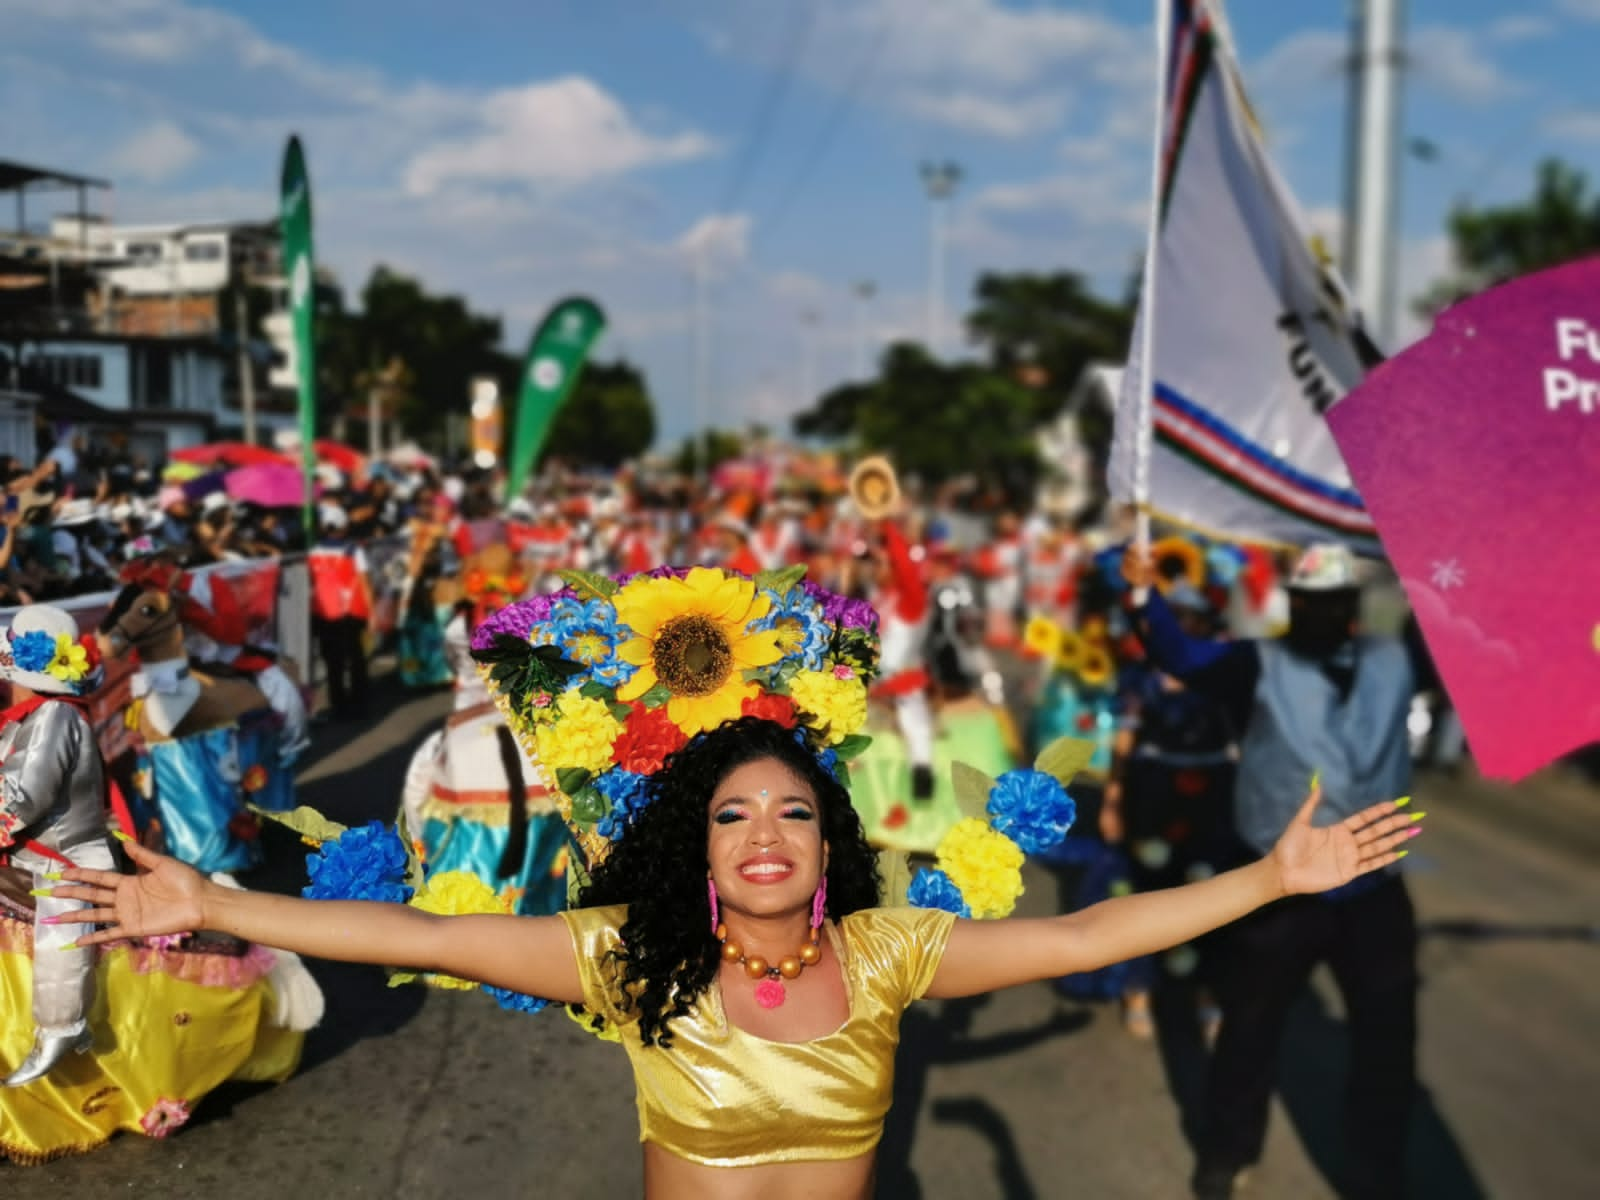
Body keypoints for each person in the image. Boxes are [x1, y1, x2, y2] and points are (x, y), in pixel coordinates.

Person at [44, 661, 1415, 1194]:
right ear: (699, 849)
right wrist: (212, 900)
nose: (765, 833)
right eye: (733, 816)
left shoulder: (888, 957)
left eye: (794, 816)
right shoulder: (629, 964)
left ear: (828, 847)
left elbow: (1080, 939)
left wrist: (1270, 882)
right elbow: (430, 935)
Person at [1123, 540, 1433, 1200]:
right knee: (1249, 1027)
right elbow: (1178, 656)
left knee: (1388, 1041)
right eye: (1310, 602)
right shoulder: (1254, 662)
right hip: (1277, 882)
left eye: (1334, 603)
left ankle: (1377, 1169)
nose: (1322, 615)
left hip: (1375, 888)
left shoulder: (1395, 659)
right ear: (1293, 604)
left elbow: (1453, 633)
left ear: (1352, 606)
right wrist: (1145, 594)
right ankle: (1225, 1152)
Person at [0, 605, 110, 1086]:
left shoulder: (54, 717)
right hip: (28, 848)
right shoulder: (29, 715)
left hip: (64, 857)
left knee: (62, 920)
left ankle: (60, 1027)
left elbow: (24, 796)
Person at [307, 506, 375, 720]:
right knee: (357, 659)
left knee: (333, 662)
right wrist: (372, 612)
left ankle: (339, 706)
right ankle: (359, 706)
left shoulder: (313, 551)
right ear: (343, 526)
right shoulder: (354, 550)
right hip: (352, 612)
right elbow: (365, 584)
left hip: (324, 612)